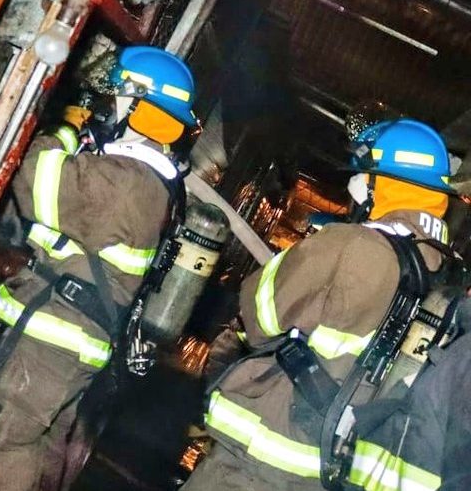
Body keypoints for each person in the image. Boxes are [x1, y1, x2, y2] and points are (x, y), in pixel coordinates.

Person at [184, 118, 461, 490]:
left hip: (262, 459)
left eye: (364, 179)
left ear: (381, 185)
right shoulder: (447, 276)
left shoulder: (351, 244)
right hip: (333, 469)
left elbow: (259, 312)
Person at [0, 45, 201, 491]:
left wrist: (64, 128)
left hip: (58, 337)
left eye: (116, 97)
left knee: (13, 440)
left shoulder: (123, 181)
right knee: (48, 442)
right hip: (80, 340)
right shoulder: (156, 184)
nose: (107, 106)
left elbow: (31, 177)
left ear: (137, 107)